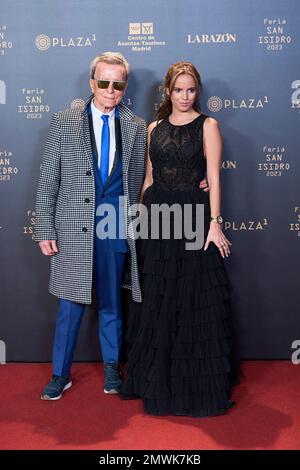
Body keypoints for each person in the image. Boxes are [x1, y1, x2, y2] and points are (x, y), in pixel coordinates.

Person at [121, 61, 238, 417]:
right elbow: (148, 178)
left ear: (196, 91)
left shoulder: (209, 125)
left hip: (192, 218)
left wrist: (215, 223)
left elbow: (214, 179)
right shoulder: (153, 127)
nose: (185, 96)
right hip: (157, 219)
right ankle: (157, 376)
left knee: (192, 300)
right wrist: (138, 220)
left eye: (191, 90)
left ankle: (192, 383)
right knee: (158, 297)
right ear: (167, 92)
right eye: (178, 90)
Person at [35, 52, 147, 399]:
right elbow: (48, 179)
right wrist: (45, 228)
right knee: (70, 305)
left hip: (114, 223)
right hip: (71, 226)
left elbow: (142, 180)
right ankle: (60, 373)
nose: (110, 90)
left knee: (112, 300)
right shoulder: (64, 121)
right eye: (104, 82)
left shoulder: (136, 126)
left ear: (124, 87)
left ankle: (112, 368)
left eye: (118, 83)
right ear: (91, 83)